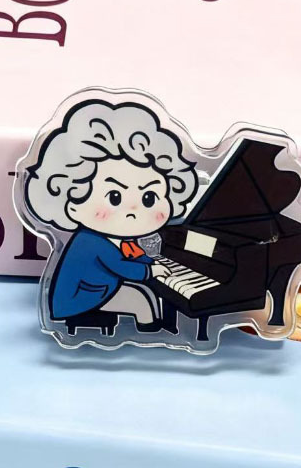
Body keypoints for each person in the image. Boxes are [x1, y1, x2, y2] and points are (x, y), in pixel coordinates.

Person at [23, 98, 199, 330]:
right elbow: (121, 267)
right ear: (73, 202)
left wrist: (152, 262)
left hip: (100, 289)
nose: (133, 210)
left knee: (145, 293)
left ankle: (163, 327)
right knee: (141, 301)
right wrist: (151, 270)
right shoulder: (92, 242)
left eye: (149, 198)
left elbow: (133, 256)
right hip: (80, 299)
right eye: (114, 197)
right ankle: (150, 329)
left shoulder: (119, 240)